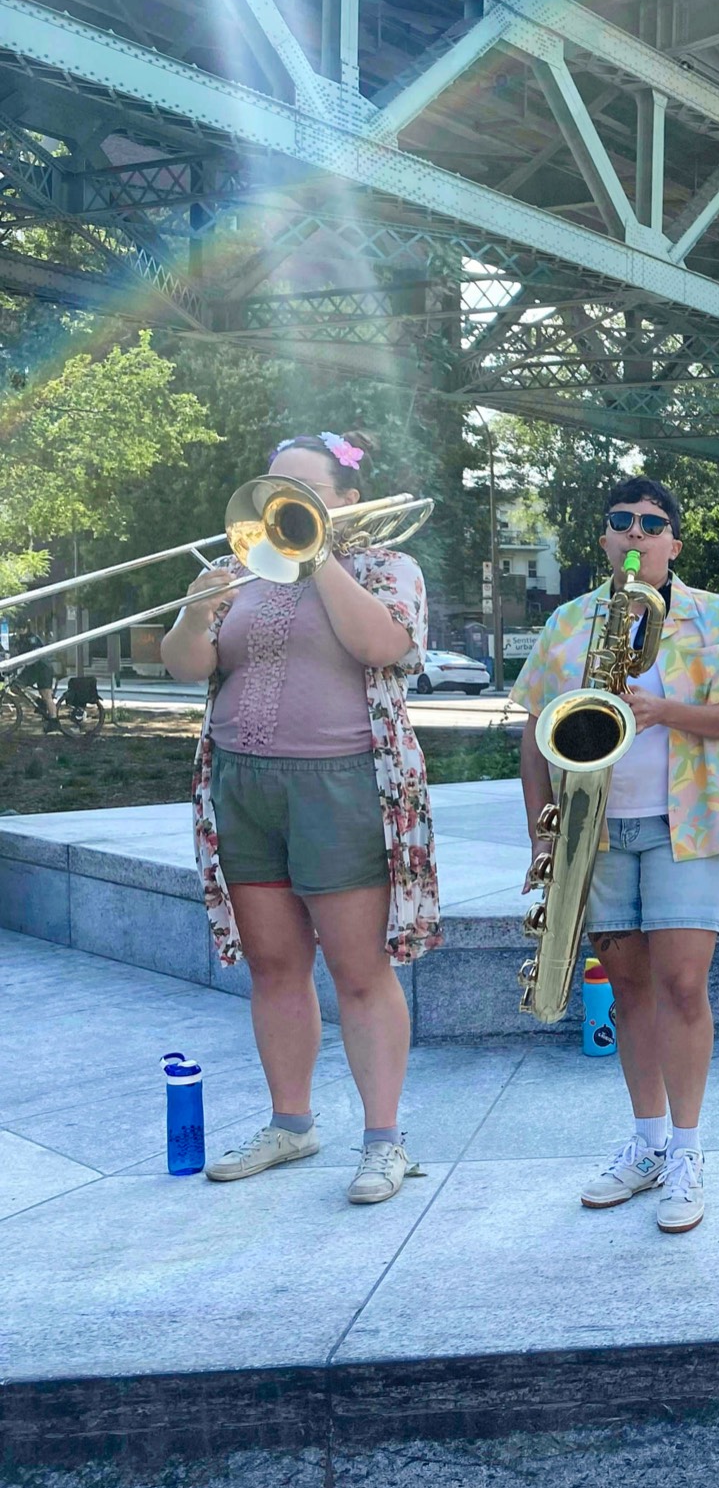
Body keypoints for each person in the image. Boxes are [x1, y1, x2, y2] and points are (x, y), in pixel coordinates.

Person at [160, 430, 440, 1205]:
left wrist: (317, 560)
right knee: (274, 966)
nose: (277, 501)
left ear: (346, 502)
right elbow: (191, 665)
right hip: (243, 786)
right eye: (271, 487)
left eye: (300, 491)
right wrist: (194, 613)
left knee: (358, 970)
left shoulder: (386, 568)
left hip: (342, 784)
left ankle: (383, 1141)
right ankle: (291, 1124)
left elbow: (382, 645)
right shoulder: (240, 571)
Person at [513, 477, 719, 1236]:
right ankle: (649, 1142)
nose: (636, 533)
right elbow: (535, 733)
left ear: (673, 543)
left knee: (683, 985)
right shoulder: (569, 624)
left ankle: (689, 1152)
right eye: (621, 521)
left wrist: (665, 711)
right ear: (604, 538)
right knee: (627, 991)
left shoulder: (711, 616)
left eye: (651, 524)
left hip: (683, 824)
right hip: (592, 828)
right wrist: (542, 832)